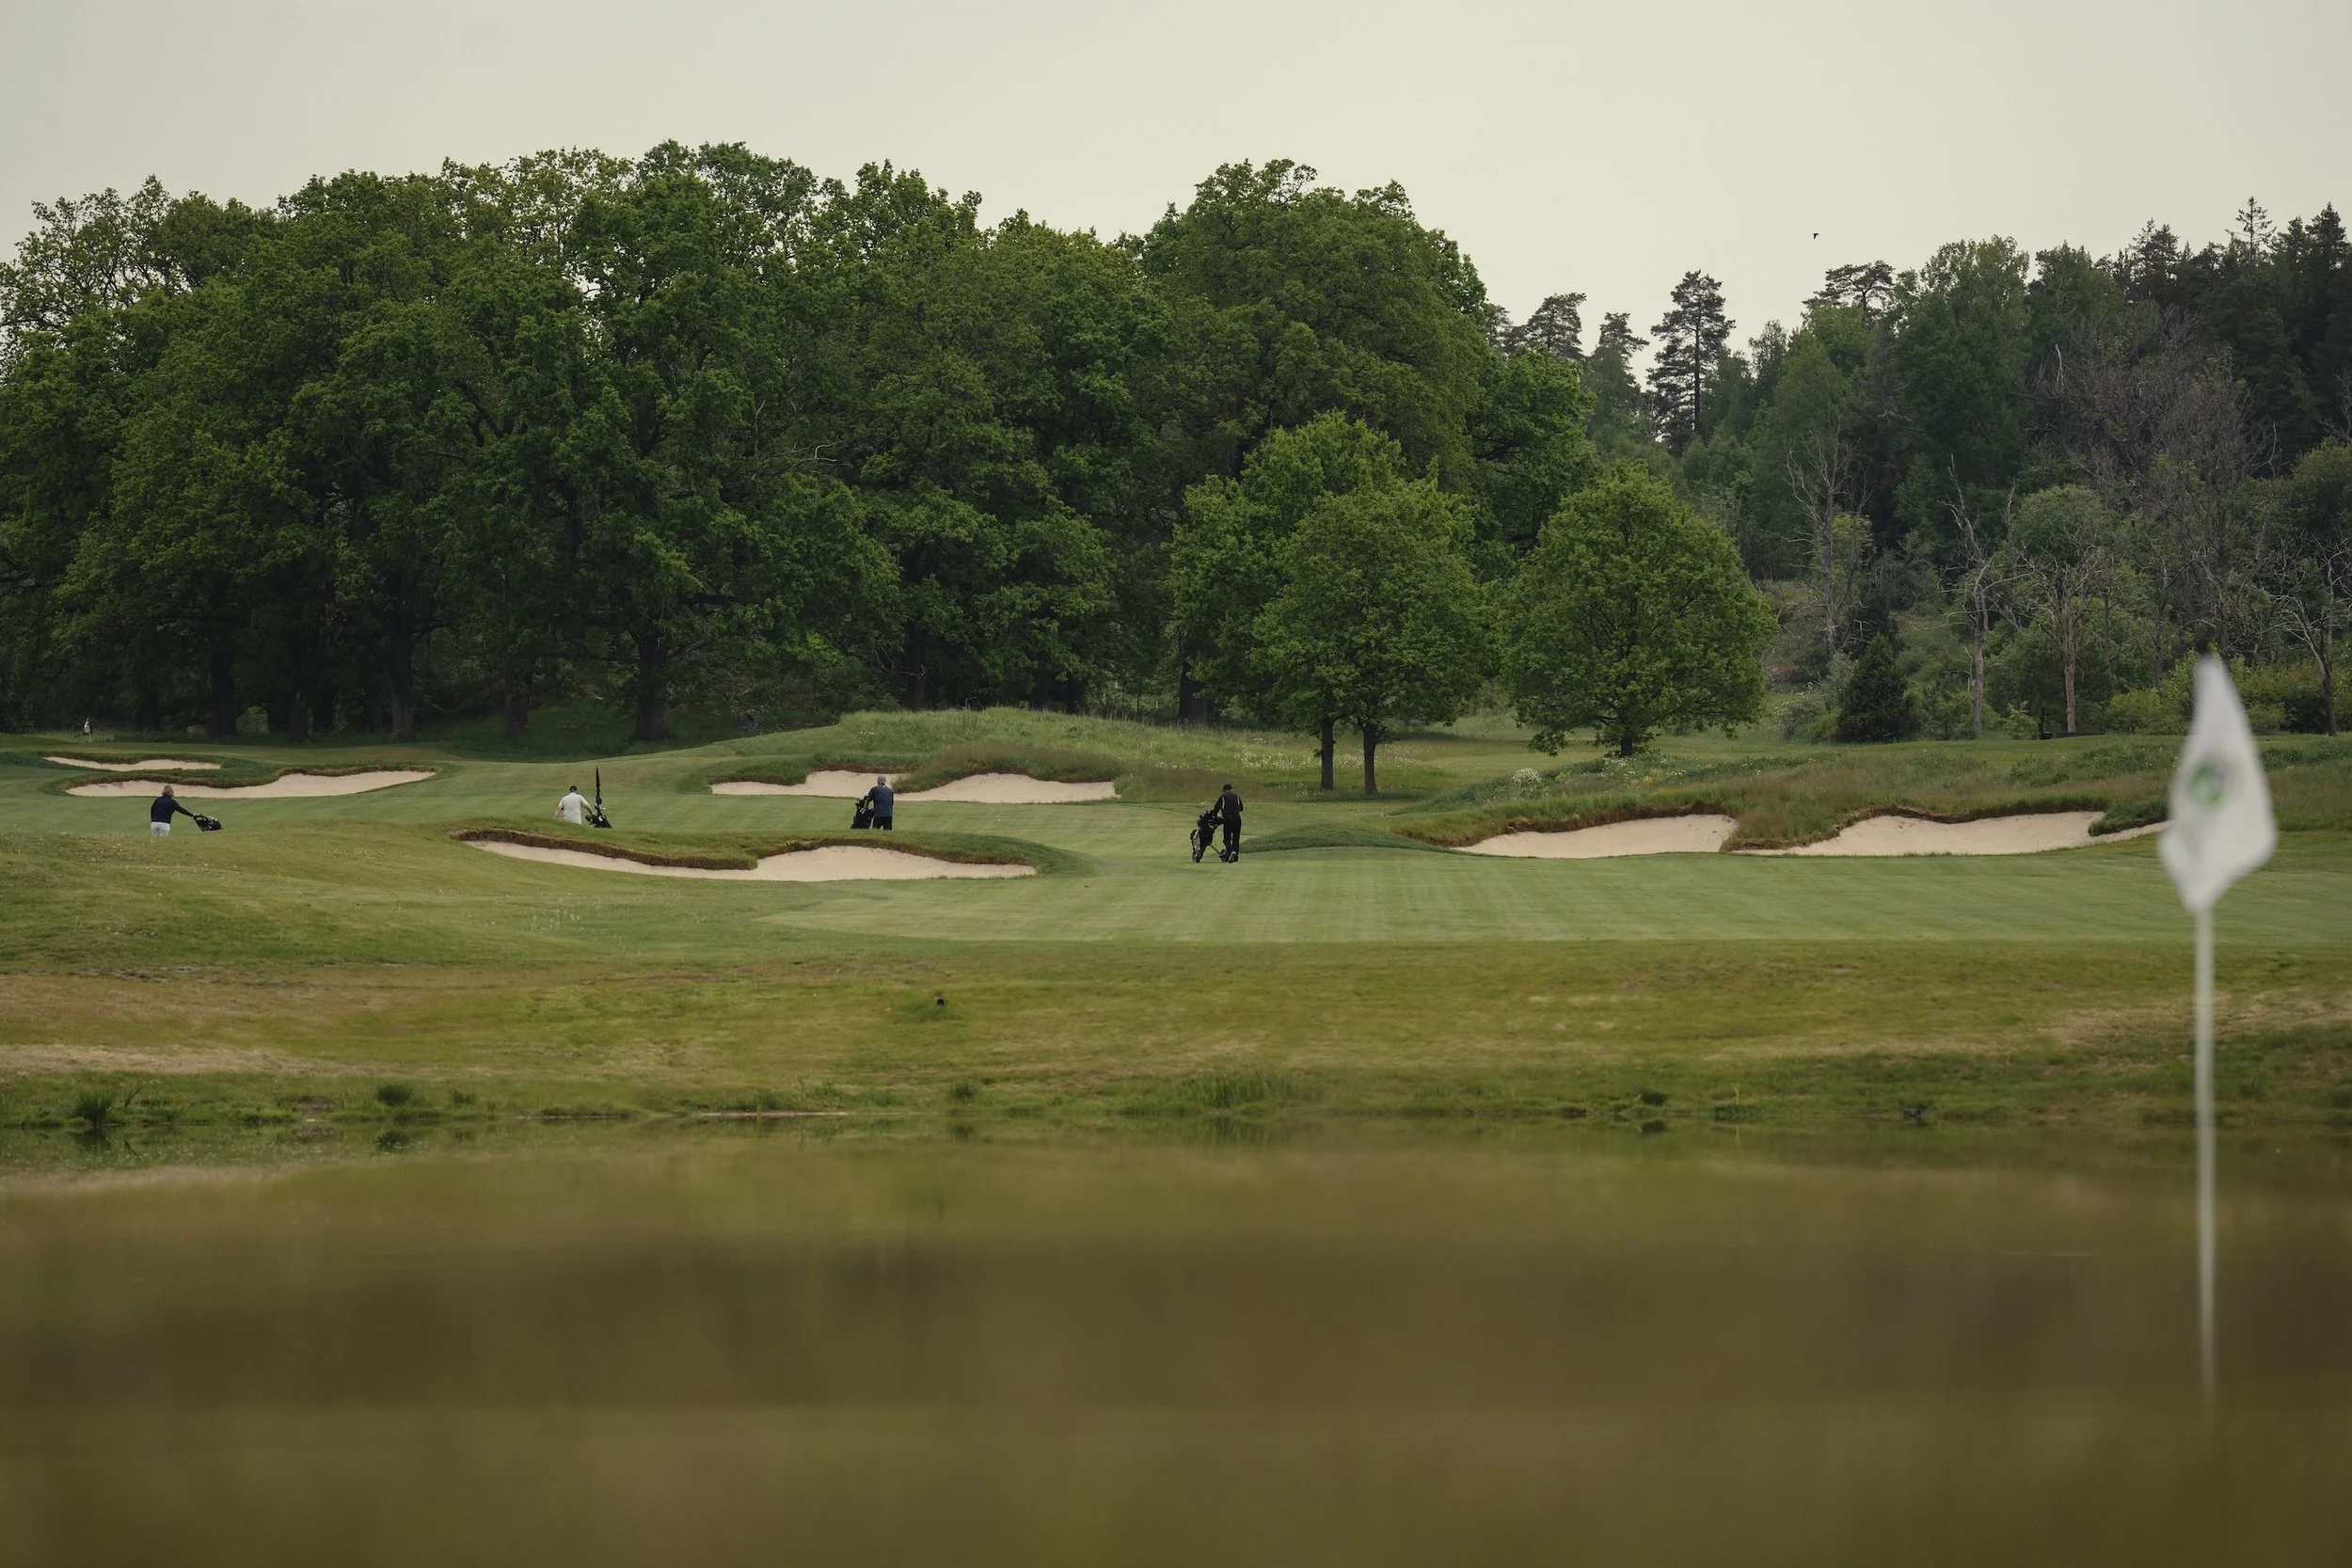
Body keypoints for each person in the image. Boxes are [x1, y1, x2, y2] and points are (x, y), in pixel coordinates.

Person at [1216, 782, 1242, 862]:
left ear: (1224, 790)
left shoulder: (1222, 797)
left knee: (1226, 839)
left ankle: (1231, 852)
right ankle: (1235, 856)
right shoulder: (1237, 796)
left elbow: (1216, 809)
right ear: (1231, 789)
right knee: (1236, 839)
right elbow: (1241, 808)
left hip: (1228, 820)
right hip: (1237, 820)